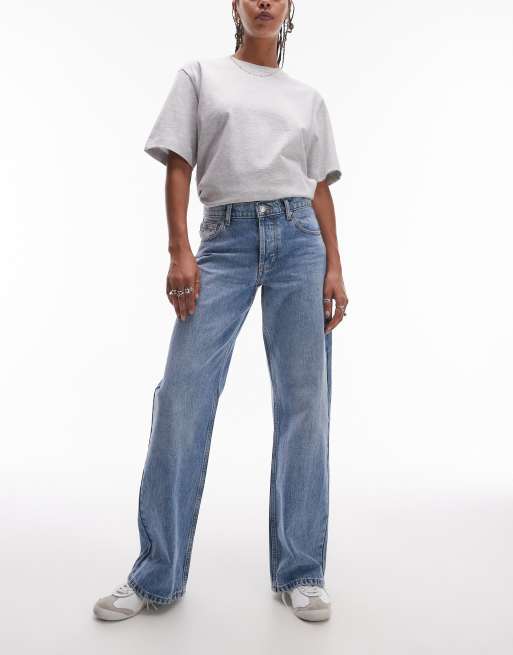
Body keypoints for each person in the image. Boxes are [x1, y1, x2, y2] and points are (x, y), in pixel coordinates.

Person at [93, 0, 348, 623]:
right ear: (235, 5)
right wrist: (179, 250)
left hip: (300, 243)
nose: (264, 3)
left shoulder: (308, 98)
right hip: (224, 241)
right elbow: (179, 166)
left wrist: (335, 266)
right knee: (182, 397)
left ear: (288, 9)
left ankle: (301, 571)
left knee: (305, 405)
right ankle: (156, 575)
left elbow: (318, 187)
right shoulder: (200, 76)